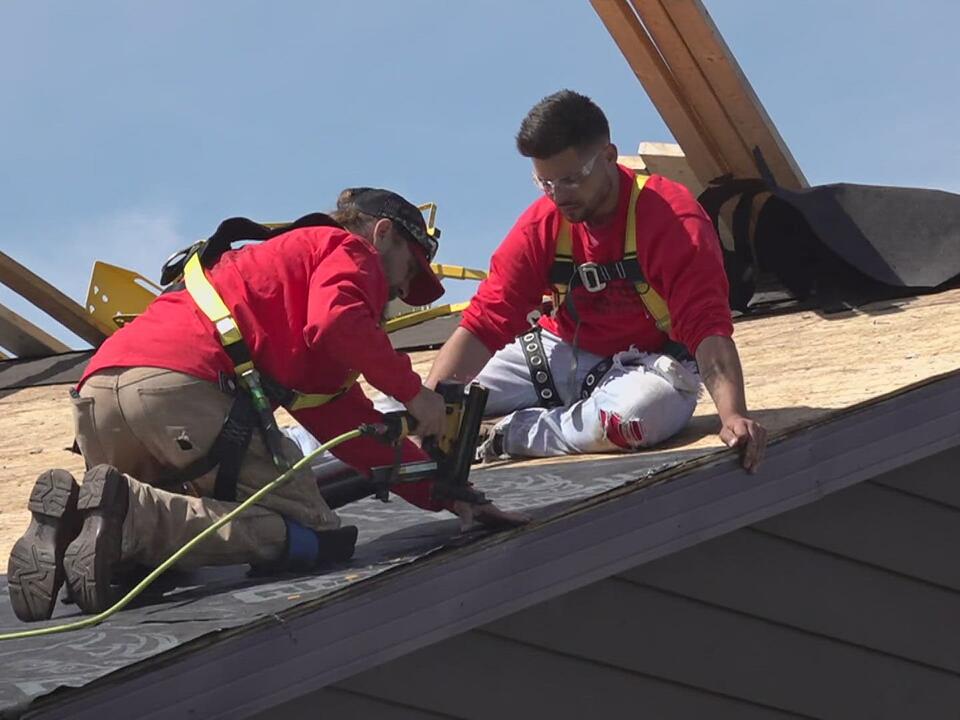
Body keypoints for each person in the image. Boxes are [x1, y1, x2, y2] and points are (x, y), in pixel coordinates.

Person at [7, 187, 522, 623]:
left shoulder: (273, 276)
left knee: (151, 560)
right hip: (180, 393)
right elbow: (339, 323)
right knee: (310, 528)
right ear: (382, 232)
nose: (401, 290)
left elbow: (355, 428)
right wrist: (416, 395)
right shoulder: (349, 251)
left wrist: (450, 494)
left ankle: (74, 523)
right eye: (409, 270)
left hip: (97, 397)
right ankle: (131, 517)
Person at [426, 90, 767, 470]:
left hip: (649, 365)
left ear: (608, 156)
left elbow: (707, 327)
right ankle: (478, 422)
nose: (559, 196)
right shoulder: (542, 224)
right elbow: (485, 321)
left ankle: (505, 434)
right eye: (545, 183)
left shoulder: (672, 219)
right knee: (402, 405)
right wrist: (430, 408)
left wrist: (733, 415)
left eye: (571, 179)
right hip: (556, 353)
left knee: (632, 420)